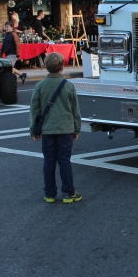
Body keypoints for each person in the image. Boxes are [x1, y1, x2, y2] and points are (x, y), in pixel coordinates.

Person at [30, 52, 82, 204]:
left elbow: (34, 110)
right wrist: (76, 129)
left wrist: (34, 130)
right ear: (62, 67)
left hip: (47, 129)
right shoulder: (68, 86)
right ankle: (68, 192)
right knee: (64, 160)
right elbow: (75, 110)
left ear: (46, 67)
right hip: (65, 128)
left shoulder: (40, 86)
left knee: (49, 161)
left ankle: (50, 193)